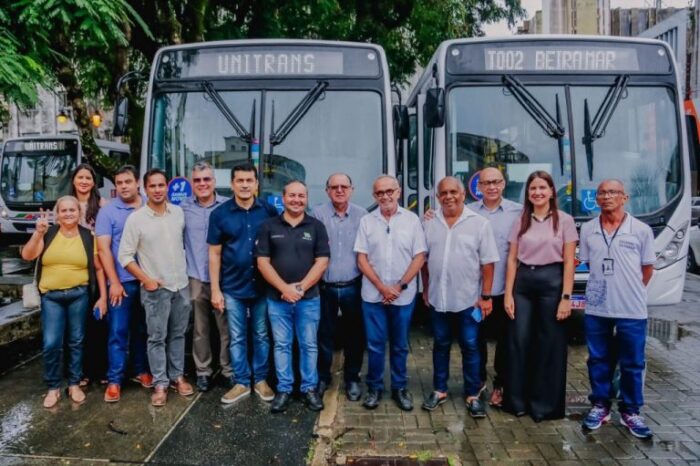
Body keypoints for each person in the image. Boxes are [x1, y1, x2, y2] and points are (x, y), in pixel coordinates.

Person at [579, 179, 656, 439]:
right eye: (601, 193)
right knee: (599, 359)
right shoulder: (588, 229)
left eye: (613, 192)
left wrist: (628, 289)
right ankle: (600, 406)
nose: (606, 196)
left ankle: (631, 411)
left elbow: (647, 269)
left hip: (632, 309)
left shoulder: (641, 230)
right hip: (598, 308)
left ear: (625, 197)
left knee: (632, 362)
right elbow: (590, 265)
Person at [420, 177, 499, 417]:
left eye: (454, 192)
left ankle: (473, 394)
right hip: (438, 298)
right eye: (443, 193)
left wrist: (486, 296)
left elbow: (488, 264)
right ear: (438, 197)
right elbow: (423, 260)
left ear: (463, 194)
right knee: (440, 345)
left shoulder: (479, 224)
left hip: (469, 300)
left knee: (471, 346)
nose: (449, 196)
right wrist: (425, 289)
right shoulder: (429, 223)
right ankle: (439, 390)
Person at [503, 170, 578, 421]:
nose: (537, 192)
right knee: (519, 341)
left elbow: (569, 262)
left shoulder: (565, 221)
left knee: (550, 344)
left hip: (552, 283)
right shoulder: (521, 219)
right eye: (533, 188)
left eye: (542, 188)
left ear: (552, 191)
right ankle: (516, 402)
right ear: (528, 193)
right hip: (523, 284)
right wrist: (508, 295)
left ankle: (544, 406)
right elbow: (512, 260)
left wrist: (566, 298)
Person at [21, 196, 107, 408]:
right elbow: (27, 255)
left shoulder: (88, 236)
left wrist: (103, 296)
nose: (68, 213)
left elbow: (98, 268)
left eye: (72, 210)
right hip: (51, 297)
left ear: (79, 213)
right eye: (64, 210)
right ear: (57, 214)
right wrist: (38, 233)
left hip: (79, 294)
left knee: (76, 341)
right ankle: (53, 387)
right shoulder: (48, 233)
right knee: (52, 342)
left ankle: (74, 384)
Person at [118, 168, 193, 407]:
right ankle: (160, 383)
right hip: (155, 289)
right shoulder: (136, 219)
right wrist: (145, 279)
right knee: (157, 337)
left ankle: (177, 376)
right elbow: (125, 256)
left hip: (181, 285)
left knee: (178, 335)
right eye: (153, 186)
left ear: (167, 187)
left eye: (162, 185)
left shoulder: (178, 213)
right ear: (145, 188)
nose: (158, 190)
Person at [256, 180, 330, 413]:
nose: (297, 200)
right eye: (292, 196)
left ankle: (309, 388)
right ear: (283, 198)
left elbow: (322, 261)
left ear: (306, 199)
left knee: (309, 345)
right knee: (282, 345)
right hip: (277, 300)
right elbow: (262, 262)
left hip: (309, 299)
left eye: (301, 196)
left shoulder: (316, 226)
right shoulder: (269, 226)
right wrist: (284, 289)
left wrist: (300, 288)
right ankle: (284, 389)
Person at [354, 175, 426, 411]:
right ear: (374, 196)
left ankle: (399, 388)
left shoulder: (412, 220)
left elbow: (419, 257)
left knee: (400, 345)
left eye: (389, 191)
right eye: (379, 193)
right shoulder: (367, 221)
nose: (385, 196)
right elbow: (361, 258)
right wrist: (382, 287)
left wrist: (399, 286)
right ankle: (374, 387)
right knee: (375, 345)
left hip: (403, 296)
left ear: (398, 192)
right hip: (373, 296)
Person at [209, 163, 277, 405]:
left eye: (250, 180)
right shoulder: (219, 214)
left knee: (261, 334)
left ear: (256, 183)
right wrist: (215, 290)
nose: (245, 185)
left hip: (262, 287)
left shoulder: (268, 211)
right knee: (236, 336)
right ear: (233, 184)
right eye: (240, 181)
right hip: (232, 287)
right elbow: (214, 254)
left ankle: (260, 380)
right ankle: (240, 382)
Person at [95, 165, 152, 403]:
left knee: (145, 330)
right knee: (118, 332)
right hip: (124, 283)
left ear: (137, 182)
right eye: (119, 183)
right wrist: (114, 283)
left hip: (150, 281)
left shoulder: (152, 203)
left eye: (128, 181)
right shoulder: (108, 212)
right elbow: (103, 250)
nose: (124, 186)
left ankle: (141, 371)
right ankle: (115, 380)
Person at [311, 173, 367, 401]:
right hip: (325, 286)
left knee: (355, 335)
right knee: (324, 334)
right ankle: (323, 377)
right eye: (334, 187)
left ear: (352, 189)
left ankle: (352, 378)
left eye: (344, 186)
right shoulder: (317, 214)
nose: (339, 190)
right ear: (327, 191)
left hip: (354, 286)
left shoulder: (362, 215)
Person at [468, 168, 522, 408]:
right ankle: (477, 383)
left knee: (505, 341)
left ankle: (501, 385)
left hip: (504, 289)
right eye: (486, 183)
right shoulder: (467, 212)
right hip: (474, 292)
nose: (491, 187)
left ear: (503, 184)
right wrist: (429, 215)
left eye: (496, 182)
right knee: (475, 340)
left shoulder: (518, 212)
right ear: (478, 186)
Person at [180, 161, 231, 393]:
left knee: (226, 329)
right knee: (200, 329)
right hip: (196, 277)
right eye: (197, 180)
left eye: (206, 179)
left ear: (214, 182)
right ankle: (203, 372)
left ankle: (228, 371)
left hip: (223, 279)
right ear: (192, 183)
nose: (202, 184)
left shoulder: (228, 207)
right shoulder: (182, 208)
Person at [70, 163, 109, 387]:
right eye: (80, 177)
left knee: (98, 320)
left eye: (88, 178)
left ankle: (101, 369)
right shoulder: (66, 204)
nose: (84, 181)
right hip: (74, 268)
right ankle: (82, 371)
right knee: (78, 324)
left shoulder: (102, 205)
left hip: (97, 268)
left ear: (94, 182)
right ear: (74, 180)